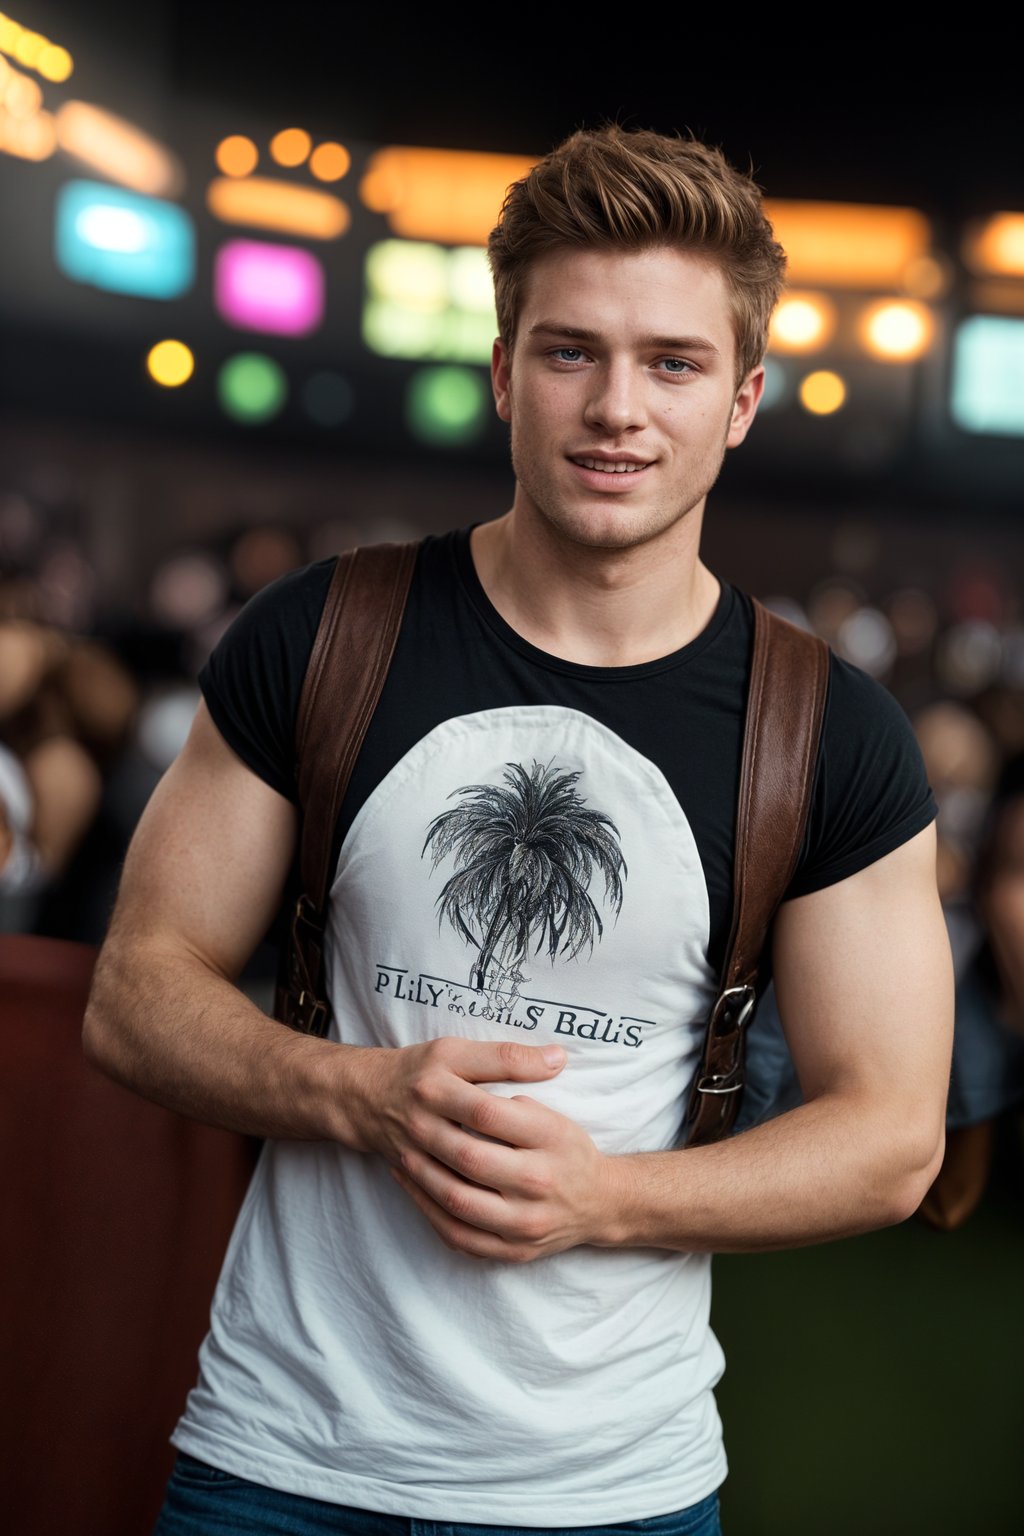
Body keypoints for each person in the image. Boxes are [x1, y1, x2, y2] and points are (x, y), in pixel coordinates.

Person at [83, 125, 953, 1536]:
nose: (619, 406)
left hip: (613, 1488)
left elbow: (891, 1137)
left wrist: (606, 1200)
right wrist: (357, 1095)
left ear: (741, 400)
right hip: (278, 1460)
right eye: (571, 353)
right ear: (503, 374)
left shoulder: (831, 733)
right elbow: (136, 993)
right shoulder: (323, 635)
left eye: (674, 363)